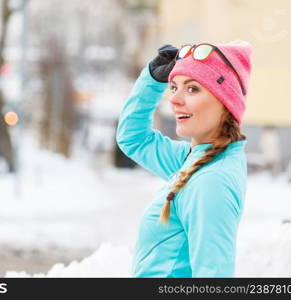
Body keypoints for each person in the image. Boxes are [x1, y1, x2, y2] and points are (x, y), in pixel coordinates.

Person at [116, 40, 253, 277]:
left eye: (192, 89)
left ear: (225, 102)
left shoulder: (211, 181)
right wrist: (151, 81)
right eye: (174, 87)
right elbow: (133, 138)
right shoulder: (194, 160)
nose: (175, 100)